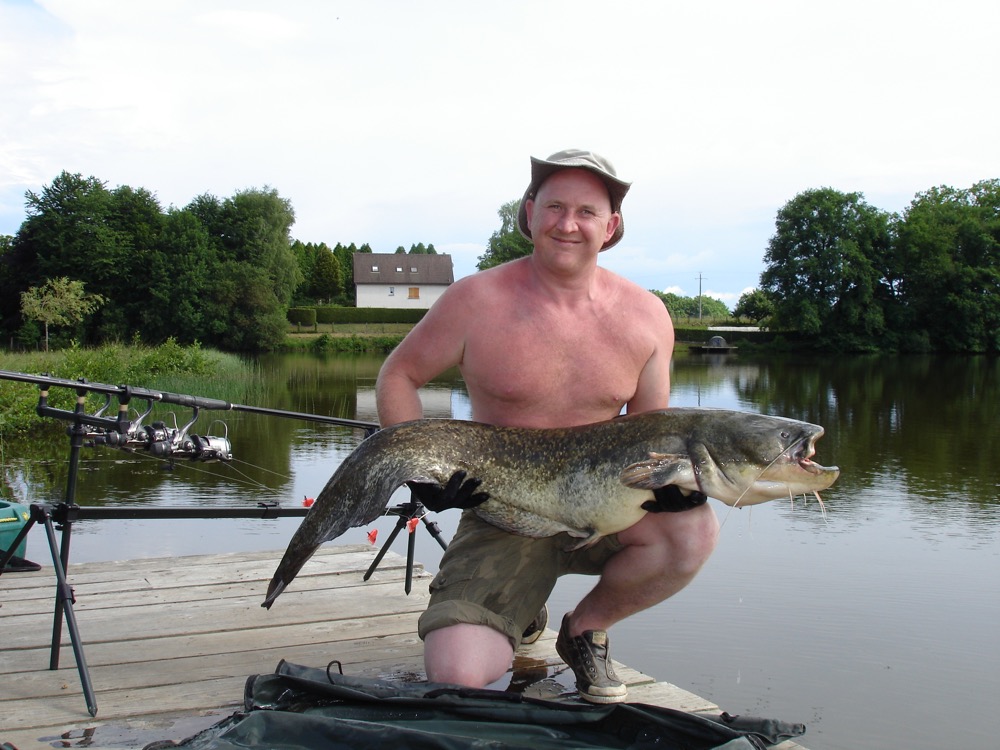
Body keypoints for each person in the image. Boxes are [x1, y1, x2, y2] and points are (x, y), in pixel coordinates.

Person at [375, 149, 718, 703]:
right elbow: (399, 375)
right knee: (458, 676)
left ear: (611, 227)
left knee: (693, 531)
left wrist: (674, 485)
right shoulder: (474, 300)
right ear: (529, 212)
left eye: (587, 211)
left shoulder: (648, 315)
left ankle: (584, 631)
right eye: (554, 206)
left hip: (605, 508)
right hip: (502, 513)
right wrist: (422, 470)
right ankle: (520, 607)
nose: (567, 224)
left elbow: (651, 430)